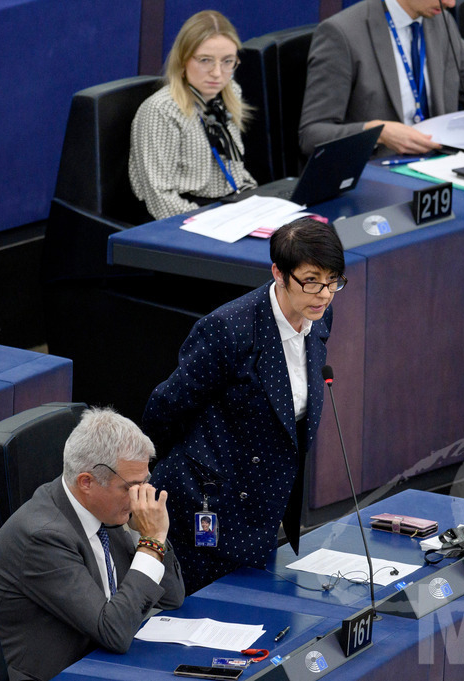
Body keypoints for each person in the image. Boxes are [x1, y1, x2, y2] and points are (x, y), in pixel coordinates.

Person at [142, 217, 345, 594]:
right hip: (209, 506)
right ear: (279, 273)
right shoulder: (230, 329)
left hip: (263, 504)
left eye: (333, 280)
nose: (324, 293)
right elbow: (166, 407)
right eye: (312, 280)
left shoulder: (318, 316)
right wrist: (190, 471)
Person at [0, 407, 184, 681]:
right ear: (86, 482)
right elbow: (114, 632)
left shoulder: (106, 509)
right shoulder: (43, 537)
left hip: (98, 663)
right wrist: (152, 543)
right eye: (131, 487)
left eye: (145, 483)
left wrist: (147, 535)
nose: (141, 497)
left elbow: (171, 597)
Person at [298, 0, 464, 156]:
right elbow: (312, 135)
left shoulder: (442, 22)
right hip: (378, 169)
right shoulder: (342, 33)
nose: (450, 3)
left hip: (439, 162)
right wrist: (378, 132)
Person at [129, 10, 257, 220]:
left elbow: (233, 169)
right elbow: (160, 199)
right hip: (182, 215)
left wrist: (255, 201)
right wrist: (210, 222)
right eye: (205, 60)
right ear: (183, 61)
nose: (217, 73)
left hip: (225, 205)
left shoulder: (229, 93)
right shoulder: (162, 110)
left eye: (228, 61)